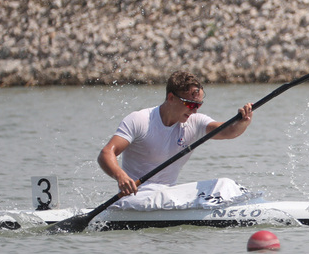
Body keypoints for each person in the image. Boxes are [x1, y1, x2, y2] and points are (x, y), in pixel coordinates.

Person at [97, 71, 253, 197]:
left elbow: (228, 131)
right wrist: (120, 176)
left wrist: (242, 122)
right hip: (137, 196)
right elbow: (106, 153)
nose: (195, 110)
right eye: (190, 104)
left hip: (168, 195)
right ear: (171, 98)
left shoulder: (194, 122)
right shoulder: (140, 120)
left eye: (198, 105)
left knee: (223, 185)